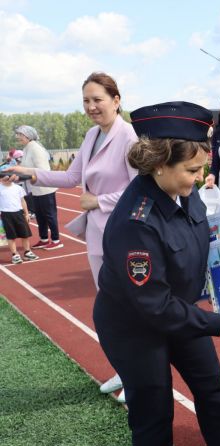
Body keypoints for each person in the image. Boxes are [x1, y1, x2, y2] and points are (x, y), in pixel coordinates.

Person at [93, 101, 220, 446]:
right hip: (135, 326)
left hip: (180, 310)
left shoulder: (184, 191)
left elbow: (200, 239)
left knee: (211, 386)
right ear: (159, 163)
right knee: (154, 408)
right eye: (191, 170)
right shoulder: (135, 223)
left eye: (201, 166)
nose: (199, 177)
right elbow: (153, 305)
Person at [7, 72, 138, 401]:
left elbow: (141, 189)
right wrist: (30, 172)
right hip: (96, 234)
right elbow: (71, 176)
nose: (91, 107)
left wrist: (99, 200)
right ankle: (126, 369)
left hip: (123, 234)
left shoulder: (129, 137)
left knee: (128, 309)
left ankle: (140, 379)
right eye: (86, 101)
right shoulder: (92, 135)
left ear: (116, 100)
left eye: (98, 99)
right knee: (109, 309)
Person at [14, 125, 63, 250]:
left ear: (27, 136)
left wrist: (23, 174)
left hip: (45, 188)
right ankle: (44, 239)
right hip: (35, 189)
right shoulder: (27, 148)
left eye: (20, 135)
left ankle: (56, 240)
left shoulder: (36, 149)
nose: (17, 137)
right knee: (40, 216)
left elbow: (43, 170)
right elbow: (26, 168)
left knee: (50, 215)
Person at [0, 178, 40, 264]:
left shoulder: (18, 188)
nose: (7, 178)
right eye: (4, 177)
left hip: (19, 213)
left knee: (24, 234)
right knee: (11, 236)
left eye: (9, 177)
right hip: (6, 215)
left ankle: (27, 252)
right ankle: (15, 255)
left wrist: (26, 213)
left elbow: (23, 201)